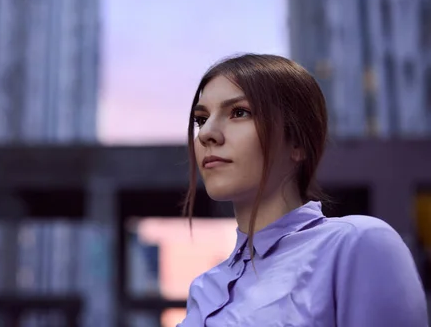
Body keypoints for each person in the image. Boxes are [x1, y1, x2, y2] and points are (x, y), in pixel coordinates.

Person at [177, 54, 428, 326]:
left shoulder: (356, 244)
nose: (206, 134)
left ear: (297, 142)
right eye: (201, 119)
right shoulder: (203, 289)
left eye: (240, 112)